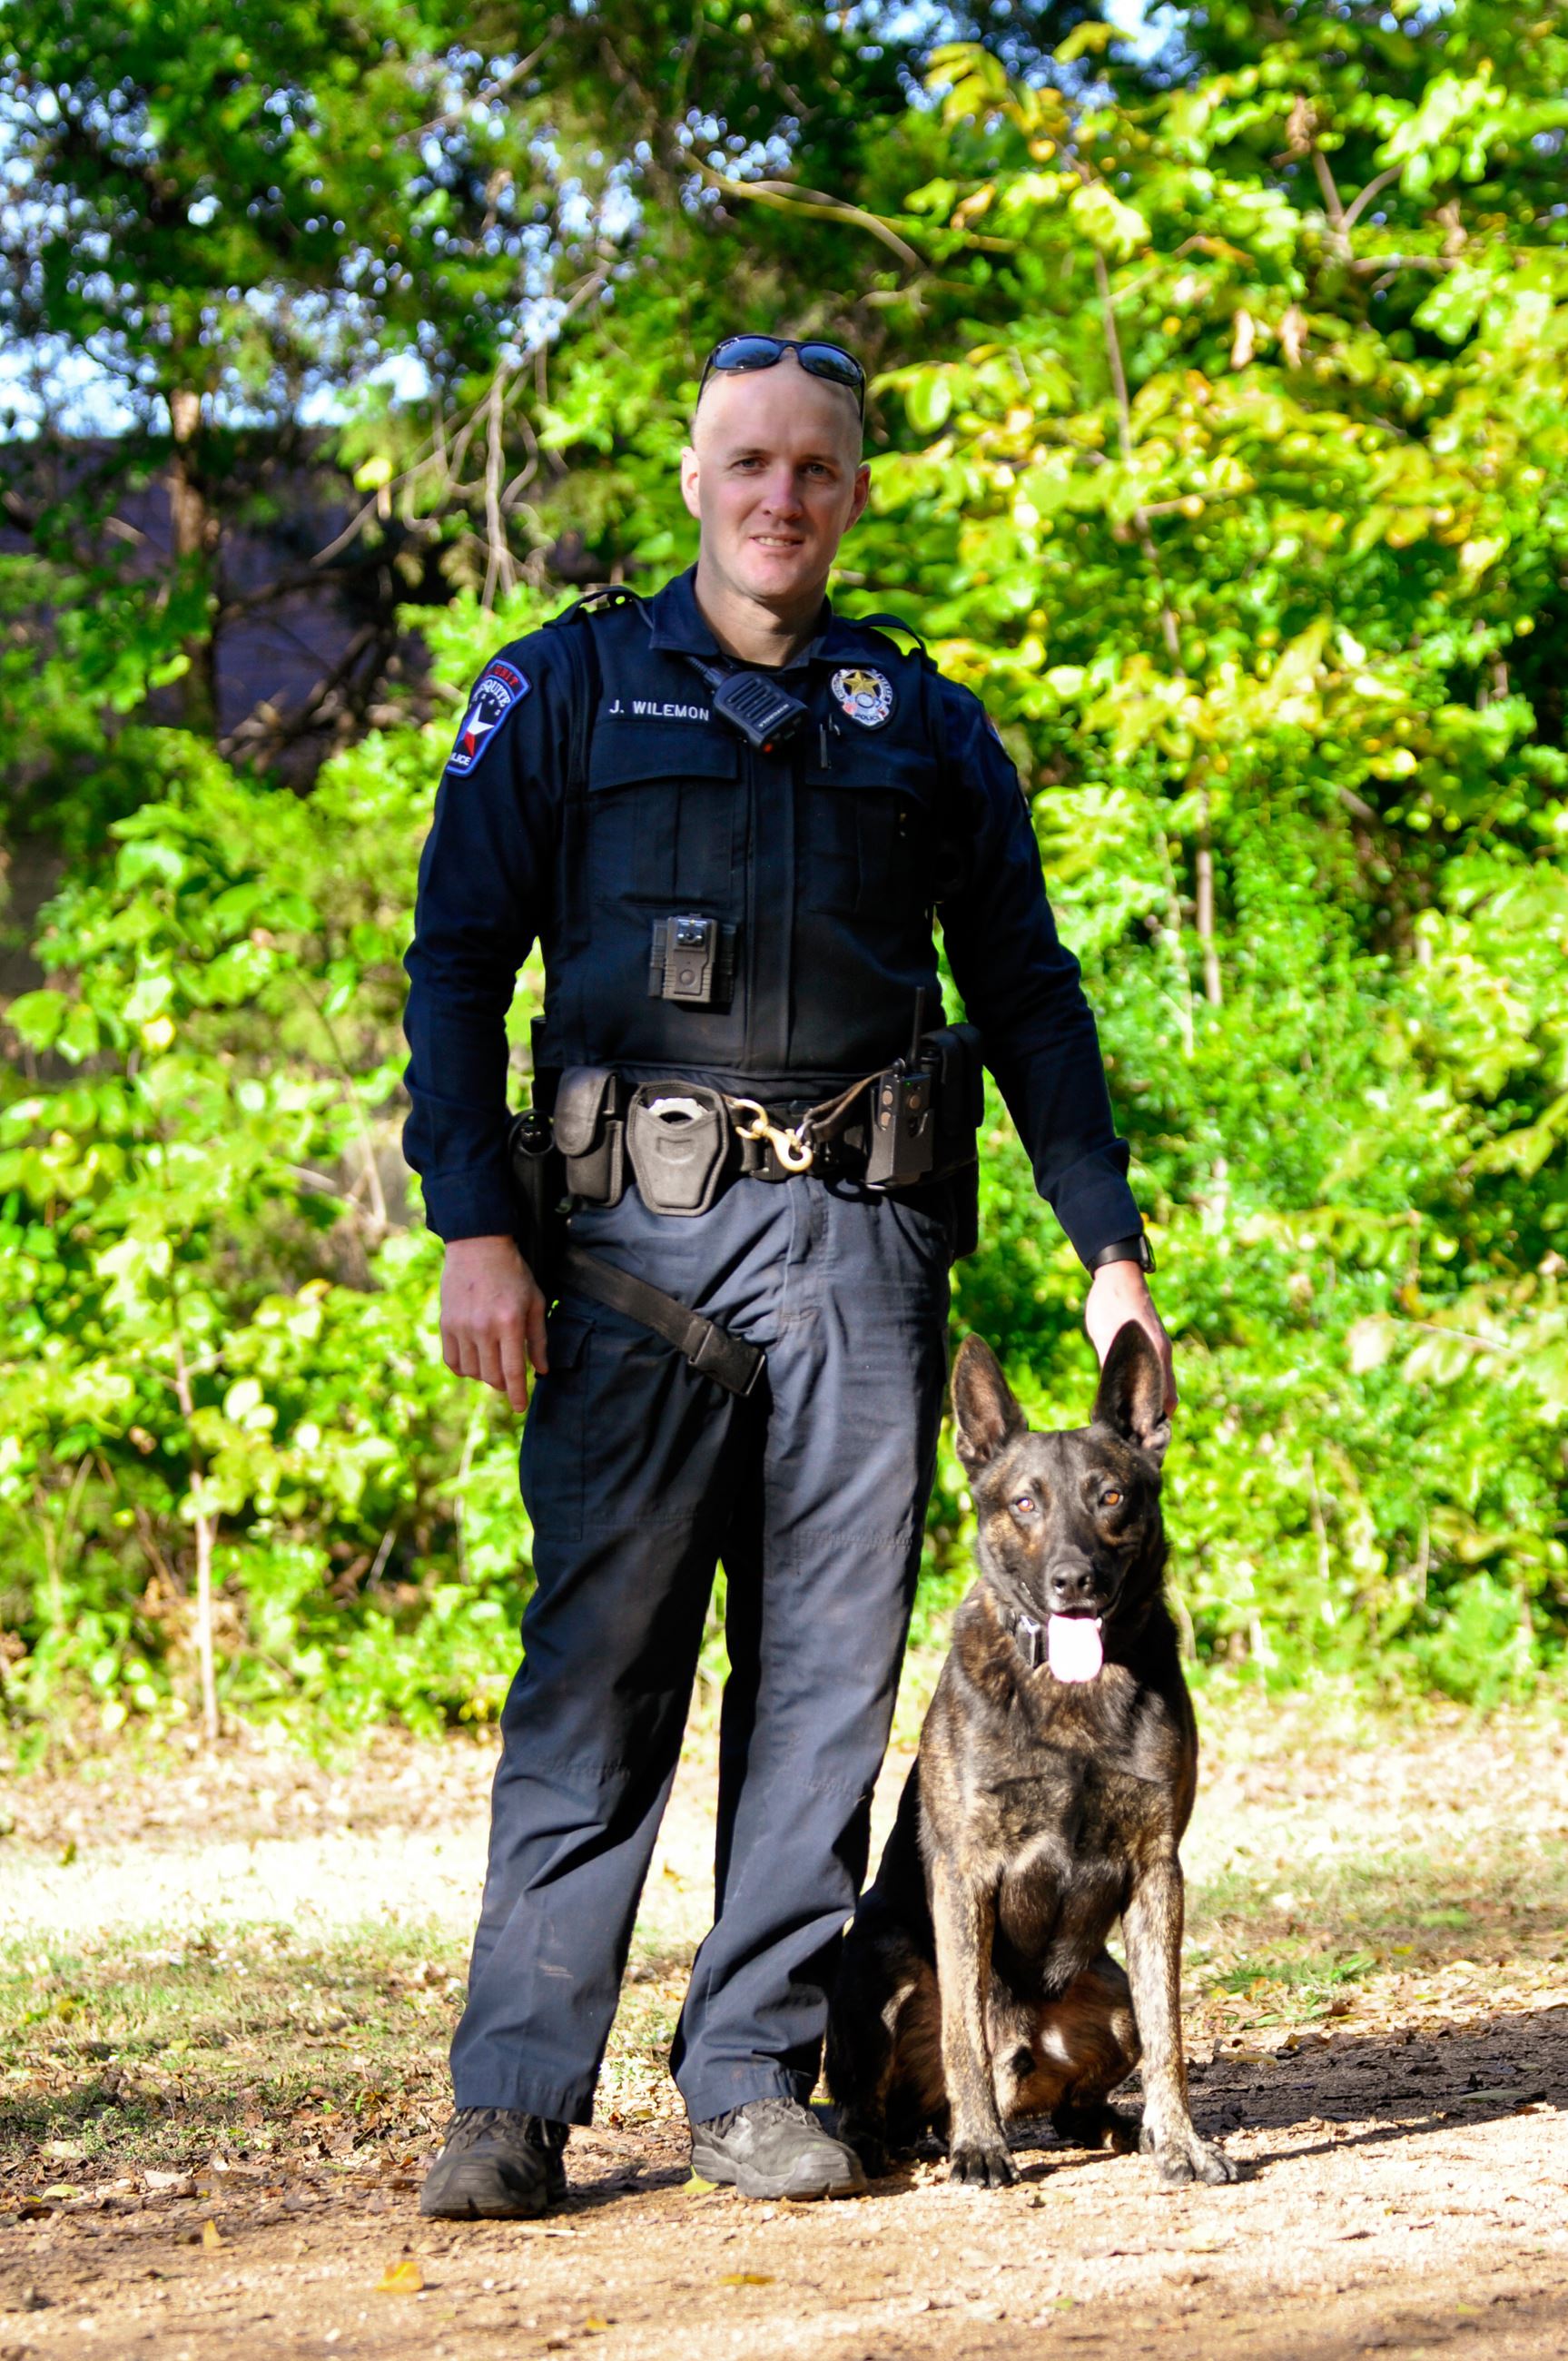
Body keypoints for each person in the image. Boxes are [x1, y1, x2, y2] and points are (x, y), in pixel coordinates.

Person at [402, 331, 1174, 2217]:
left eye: (816, 467)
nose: (780, 496)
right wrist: (472, 1221)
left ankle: (750, 2074)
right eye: (747, 461)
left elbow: (1034, 996)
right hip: (624, 1257)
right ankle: (514, 2097)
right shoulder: (563, 689)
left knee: (825, 1689)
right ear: (693, 480)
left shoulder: (920, 721)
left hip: (863, 1253)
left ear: (852, 491)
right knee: (601, 1673)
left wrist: (1106, 1243)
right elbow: (452, 963)